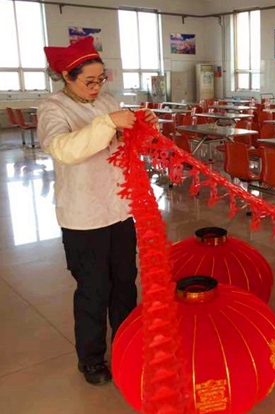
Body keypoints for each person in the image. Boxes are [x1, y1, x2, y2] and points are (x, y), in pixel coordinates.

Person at [37, 37, 157, 385]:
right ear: (65, 76)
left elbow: (125, 145)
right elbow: (64, 149)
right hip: (83, 217)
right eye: (88, 81)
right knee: (93, 289)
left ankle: (126, 343)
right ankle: (91, 359)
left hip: (119, 211)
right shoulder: (53, 108)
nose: (96, 87)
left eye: (101, 78)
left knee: (124, 284)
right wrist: (108, 124)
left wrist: (143, 125)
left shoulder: (106, 101)